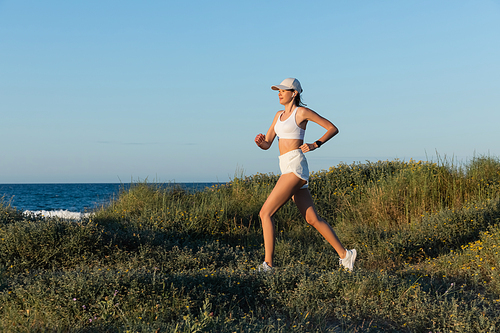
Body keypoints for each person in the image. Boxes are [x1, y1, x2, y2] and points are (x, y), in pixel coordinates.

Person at [254, 78, 356, 272]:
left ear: (295, 93)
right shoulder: (278, 115)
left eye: (284, 90)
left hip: (295, 165)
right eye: (278, 90)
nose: (279, 93)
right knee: (312, 219)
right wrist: (261, 142)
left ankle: (268, 265)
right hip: (285, 166)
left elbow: (332, 128)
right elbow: (268, 143)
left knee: (265, 213)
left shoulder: (301, 112)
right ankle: (346, 255)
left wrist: (315, 144)